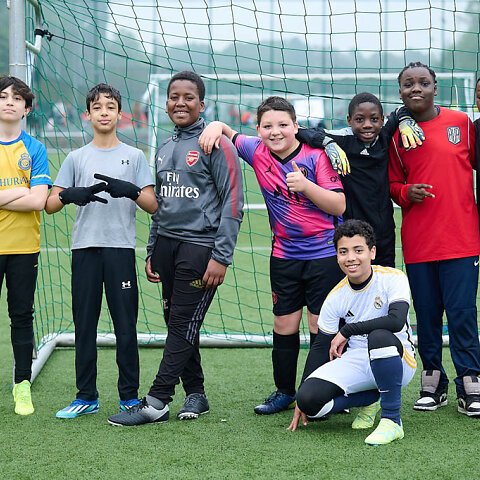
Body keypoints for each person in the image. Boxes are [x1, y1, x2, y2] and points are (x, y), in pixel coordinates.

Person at [107, 70, 244, 426]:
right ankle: (196, 393)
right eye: (174, 97)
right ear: (166, 103)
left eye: (188, 97)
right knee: (178, 323)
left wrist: (221, 257)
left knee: (182, 323)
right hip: (167, 248)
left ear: (202, 104)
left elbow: (233, 204)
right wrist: (153, 248)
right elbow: (162, 205)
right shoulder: (166, 147)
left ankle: (157, 401)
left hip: (200, 248)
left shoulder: (218, 144)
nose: (180, 103)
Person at [199, 96, 346, 415]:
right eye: (267, 126)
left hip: (323, 255)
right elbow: (229, 132)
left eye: (282, 125)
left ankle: (319, 393)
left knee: (320, 324)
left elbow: (338, 206)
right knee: (283, 324)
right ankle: (284, 392)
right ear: (258, 130)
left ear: (296, 126)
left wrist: (306, 186)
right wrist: (215, 125)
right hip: (283, 255)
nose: (275, 131)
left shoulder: (315, 156)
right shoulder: (256, 150)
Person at [45, 83, 158, 419]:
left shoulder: (135, 156)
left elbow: (153, 205)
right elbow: (50, 204)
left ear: (120, 114)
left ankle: (129, 397)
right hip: (85, 249)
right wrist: (68, 195)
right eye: (98, 107)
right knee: (85, 324)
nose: (104, 112)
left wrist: (132, 190)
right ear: (88, 114)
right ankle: (86, 396)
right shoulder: (76, 157)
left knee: (125, 325)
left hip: (120, 250)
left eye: (110, 107)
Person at [389, 61, 480, 416]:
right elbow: (391, 184)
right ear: (400, 92)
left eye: (423, 82)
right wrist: (406, 192)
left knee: (462, 314)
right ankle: (433, 382)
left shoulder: (462, 123)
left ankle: (470, 382)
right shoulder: (396, 135)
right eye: (408, 83)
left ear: (435, 88)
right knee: (426, 315)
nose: (416, 88)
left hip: (462, 239)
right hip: (420, 242)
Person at [287, 219, 417, 446]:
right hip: (357, 359)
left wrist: (349, 329)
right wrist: (302, 393)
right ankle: (371, 398)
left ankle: (392, 421)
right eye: (343, 252)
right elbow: (321, 346)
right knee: (310, 403)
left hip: (397, 359)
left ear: (372, 252)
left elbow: (396, 322)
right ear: (337, 256)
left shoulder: (393, 278)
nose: (351, 258)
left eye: (358, 250)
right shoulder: (336, 296)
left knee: (379, 335)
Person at [296, 92, 424, 267]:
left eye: (374, 119)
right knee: (353, 276)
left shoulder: (385, 133)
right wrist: (327, 143)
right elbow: (301, 131)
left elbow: (403, 109)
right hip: (351, 229)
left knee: (384, 277)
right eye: (359, 119)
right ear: (349, 120)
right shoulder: (342, 139)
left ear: (382, 120)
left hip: (384, 228)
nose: (367, 125)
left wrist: (404, 120)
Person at [0, 76, 51, 415]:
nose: (9, 102)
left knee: (21, 316)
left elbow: (38, 201)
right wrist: (21, 190)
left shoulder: (35, 148)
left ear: (26, 109)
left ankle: (22, 386)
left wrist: (18, 195)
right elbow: (28, 195)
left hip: (23, 247)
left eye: (17, 98)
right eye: (3, 96)